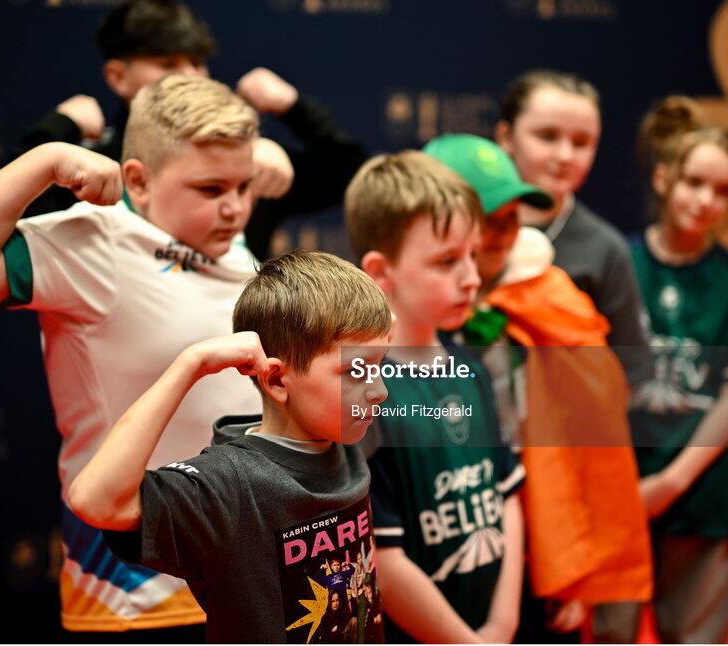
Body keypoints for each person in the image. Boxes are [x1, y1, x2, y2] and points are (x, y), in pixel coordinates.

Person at [0, 75, 265, 635]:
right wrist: (44, 161)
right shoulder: (92, 241)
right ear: (139, 181)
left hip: (246, 573)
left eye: (245, 187)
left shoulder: (228, 240)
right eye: (212, 190)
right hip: (137, 593)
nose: (236, 208)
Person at [68, 249, 393, 643]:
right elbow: (94, 500)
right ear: (275, 381)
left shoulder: (347, 441)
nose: (379, 391)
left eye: (379, 366)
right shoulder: (227, 485)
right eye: (355, 371)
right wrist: (191, 364)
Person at [424, 134, 653, 642]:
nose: (504, 232)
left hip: (536, 533)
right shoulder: (402, 319)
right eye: (488, 219)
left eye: (513, 216)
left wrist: (570, 573)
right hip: (437, 537)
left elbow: (586, 448)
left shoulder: (551, 298)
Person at [593, 96, 728, 643]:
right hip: (618, 491)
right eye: (695, 182)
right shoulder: (616, 264)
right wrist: (625, 482)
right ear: (663, 178)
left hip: (706, 500)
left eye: (723, 191)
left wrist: (672, 482)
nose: (706, 201)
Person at [18, 0, 367, 260]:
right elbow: (21, 231)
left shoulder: (250, 157)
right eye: (167, 64)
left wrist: (295, 108)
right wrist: (53, 137)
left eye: (198, 62)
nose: (189, 76)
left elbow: (353, 182)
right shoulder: (90, 166)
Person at [344, 151, 526, 643]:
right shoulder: (365, 395)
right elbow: (382, 557)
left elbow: (507, 495)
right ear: (381, 272)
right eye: (447, 261)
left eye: (472, 254)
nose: (471, 277)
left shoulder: (472, 368)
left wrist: (503, 624)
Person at [495, 70, 652, 384]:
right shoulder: (463, 229)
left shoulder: (606, 248)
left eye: (582, 142)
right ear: (506, 138)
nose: (565, 155)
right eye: (548, 136)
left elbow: (630, 373)